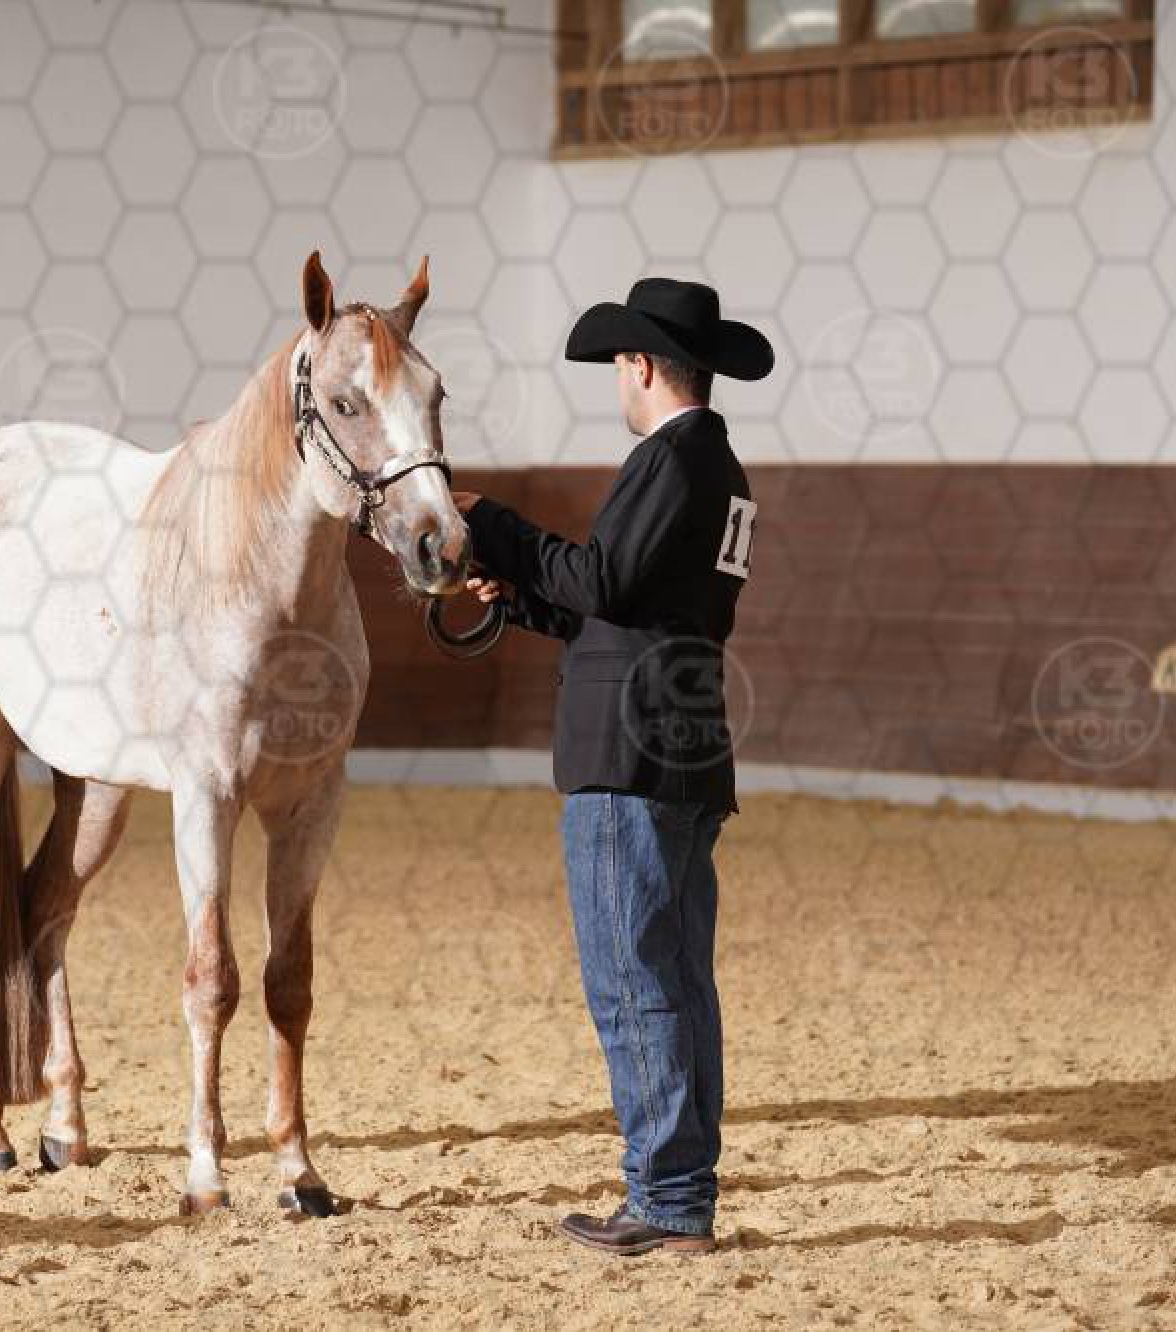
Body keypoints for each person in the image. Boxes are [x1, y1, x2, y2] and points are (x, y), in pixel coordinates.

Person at [451, 278, 770, 1255]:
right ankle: (681, 1195)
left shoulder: (669, 458)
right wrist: (521, 598)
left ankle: (666, 1200)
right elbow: (627, 609)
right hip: (681, 745)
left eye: (618, 366)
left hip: (627, 753)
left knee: (632, 979)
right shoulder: (719, 467)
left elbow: (604, 579)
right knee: (676, 979)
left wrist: (496, 524)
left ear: (638, 364)